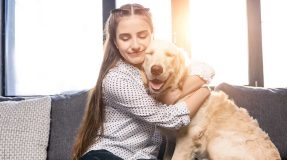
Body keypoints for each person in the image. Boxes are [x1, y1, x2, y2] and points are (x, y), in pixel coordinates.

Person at [71, 3, 214, 160]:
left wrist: (177, 92)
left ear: (152, 35)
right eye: (125, 38)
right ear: (116, 43)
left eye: (142, 35)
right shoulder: (116, 79)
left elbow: (205, 68)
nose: (136, 45)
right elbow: (171, 119)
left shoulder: (158, 63)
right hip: (107, 155)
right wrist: (205, 90)